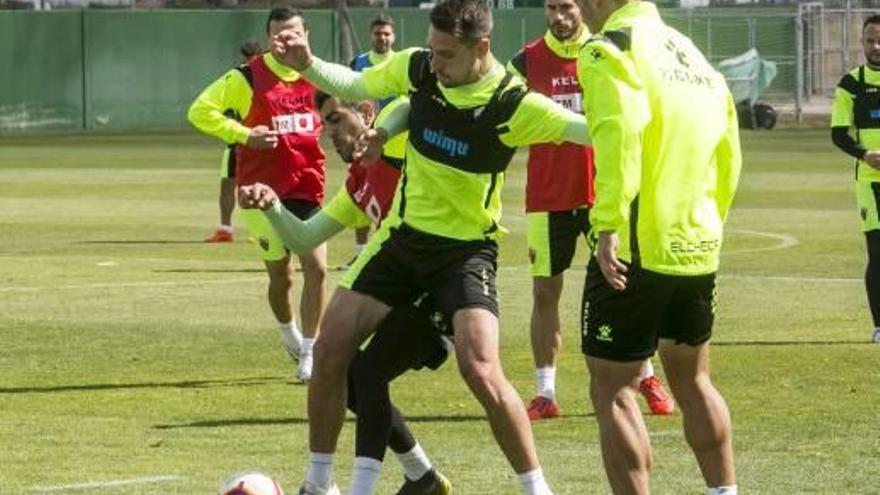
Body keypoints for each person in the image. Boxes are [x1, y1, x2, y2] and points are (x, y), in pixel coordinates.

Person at [271, 0, 592, 493]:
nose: (434, 65)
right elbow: (364, 88)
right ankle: (317, 485)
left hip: (465, 252)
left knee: (480, 368)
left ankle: (536, 489)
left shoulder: (514, 103)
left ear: (480, 47)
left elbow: (586, 131)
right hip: (403, 240)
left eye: (447, 55)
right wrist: (310, 66)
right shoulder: (423, 67)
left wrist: (646, 117)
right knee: (331, 349)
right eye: (433, 51)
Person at [239, 94, 452, 495]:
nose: (329, 134)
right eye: (325, 126)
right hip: (405, 290)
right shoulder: (358, 182)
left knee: (367, 374)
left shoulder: (396, 148)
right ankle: (421, 476)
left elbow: (406, 101)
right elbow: (305, 236)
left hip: (443, 285)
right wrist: (272, 206)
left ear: (367, 114)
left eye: (336, 120)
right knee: (347, 373)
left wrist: (382, 129)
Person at [576, 0, 741, 493]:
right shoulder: (693, 55)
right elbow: (728, 149)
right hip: (696, 245)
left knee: (613, 390)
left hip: (634, 246)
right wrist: (709, 224)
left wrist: (608, 226)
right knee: (694, 382)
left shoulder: (610, 48)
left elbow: (618, 135)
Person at [507, 0, 673, 421]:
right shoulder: (525, 62)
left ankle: (647, 377)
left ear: (582, 7)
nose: (559, 17)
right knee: (545, 291)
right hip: (547, 197)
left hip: (604, 193)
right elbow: (503, 114)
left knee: (622, 286)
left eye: (566, 7)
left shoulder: (605, 51)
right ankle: (545, 393)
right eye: (550, 8)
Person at [187, 6, 327, 383]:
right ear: (269, 38)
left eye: (293, 33)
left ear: (307, 33)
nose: (286, 41)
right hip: (260, 193)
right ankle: (289, 335)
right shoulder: (248, 77)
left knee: (317, 269)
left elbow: (341, 111)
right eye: (279, 35)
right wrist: (245, 134)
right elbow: (199, 111)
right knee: (282, 277)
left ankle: (311, 353)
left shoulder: (319, 74)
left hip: (307, 186)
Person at [831, 14, 880, 344]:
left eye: (879, 39)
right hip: (870, 181)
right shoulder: (851, 83)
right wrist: (865, 155)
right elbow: (838, 134)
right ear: (861, 43)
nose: (875, 46)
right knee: (878, 254)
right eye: (869, 40)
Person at [341, 14, 398, 269]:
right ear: (371, 35)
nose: (382, 38)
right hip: (364, 141)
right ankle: (361, 252)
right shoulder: (358, 63)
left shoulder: (401, 63)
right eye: (378, 33)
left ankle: (384, 252)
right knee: (359, 194)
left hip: (395, 143)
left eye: (386, 33)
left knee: (390, 200)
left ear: (393, 36)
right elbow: (345, 98)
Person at [205, 40, 264, 244]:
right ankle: (225, 229)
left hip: (259, 139)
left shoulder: (267, 77)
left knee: (259, 185)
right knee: (228, 184)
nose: (248, 59)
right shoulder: (238, 76)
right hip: (237, 139)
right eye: (246, 55)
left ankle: (261, 231)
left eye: (252, 55)